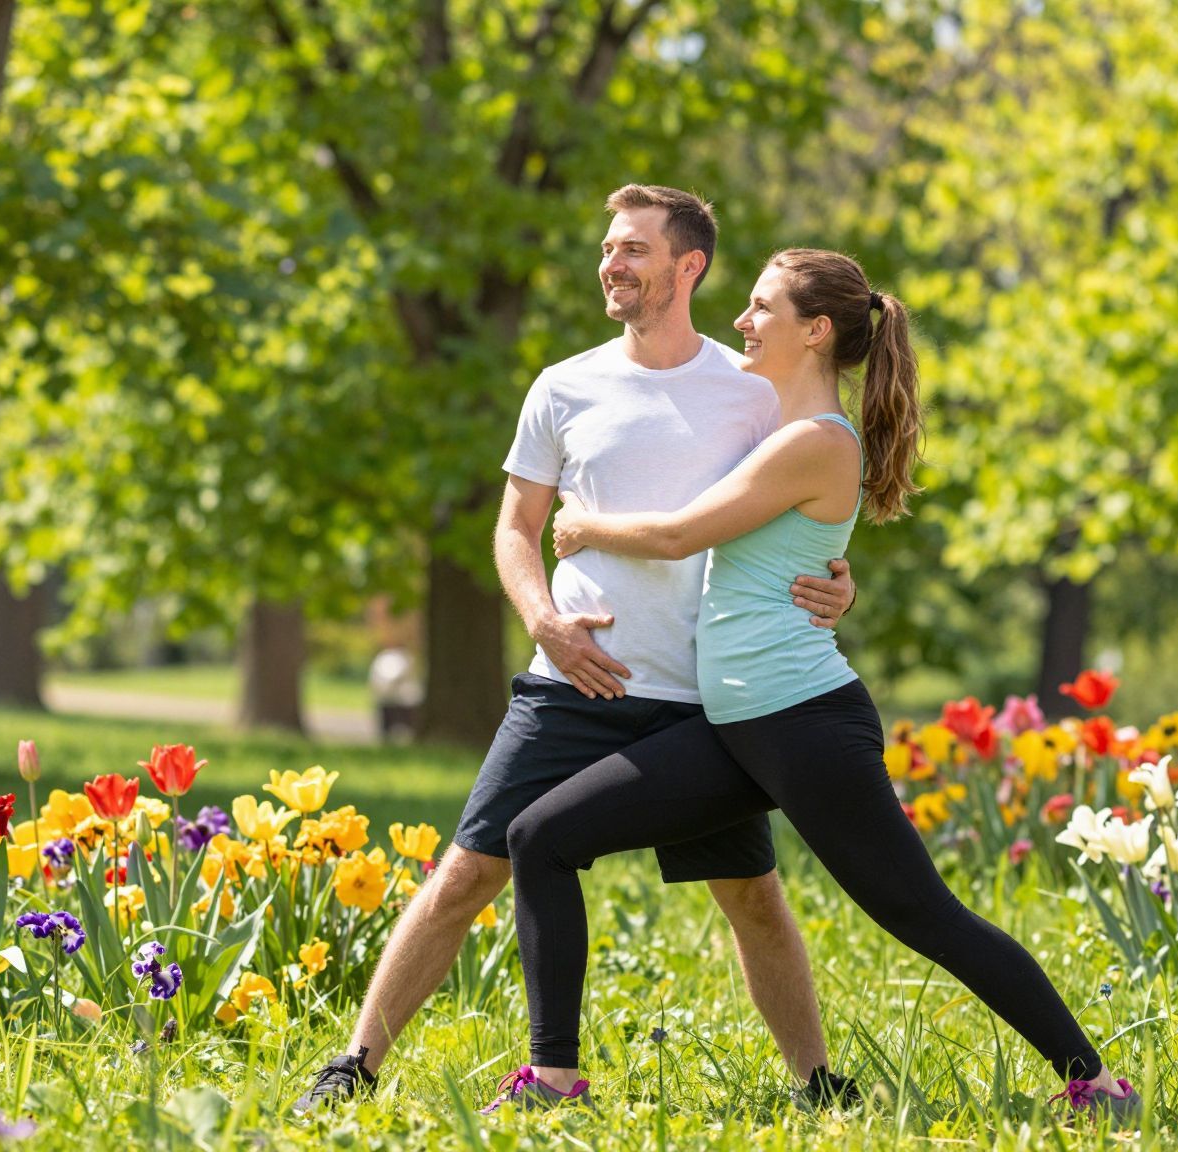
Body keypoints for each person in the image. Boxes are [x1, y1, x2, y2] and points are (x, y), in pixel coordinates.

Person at [498, 249, 1142, 1123]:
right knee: (540, 838)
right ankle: (556, 1078)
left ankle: (1095, 1083)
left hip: (801, 725)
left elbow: (685, 534)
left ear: (817, 330)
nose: (742, 322)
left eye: (761, 308)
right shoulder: (779, 434)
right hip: (739, 729)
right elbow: (781, 552)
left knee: (921, 912)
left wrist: (582, 525)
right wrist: (837, 578)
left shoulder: (812, 442)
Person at [295, 186, 862, 1113]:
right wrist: (544, 622)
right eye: (608, 247)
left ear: (690, 267)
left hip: (700, 701)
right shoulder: (564, 385)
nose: (612, 263)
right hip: (568, 686)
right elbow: (517, 527)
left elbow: (804, 511)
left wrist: (841, 579)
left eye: (634, 248)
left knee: (752, 896)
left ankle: (817, 1082)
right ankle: (354, 1064)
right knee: (469, 871)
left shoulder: (752, 391)